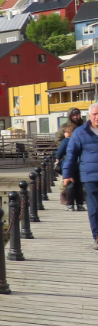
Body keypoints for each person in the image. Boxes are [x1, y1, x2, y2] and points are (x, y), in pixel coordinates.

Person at [63, 103, 98, 244]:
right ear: (90, 116)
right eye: (95, 114)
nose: (97, 117)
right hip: (90, 176)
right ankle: (97, 236)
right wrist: (67, 174)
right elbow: (71, 154)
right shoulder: (80, 132)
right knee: (94, 207)